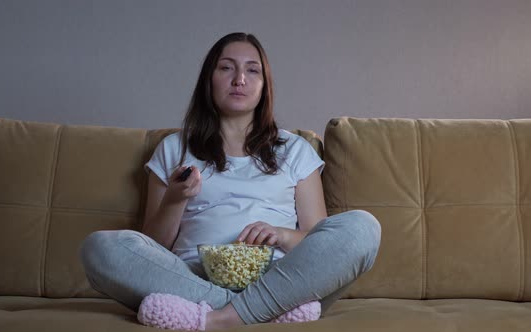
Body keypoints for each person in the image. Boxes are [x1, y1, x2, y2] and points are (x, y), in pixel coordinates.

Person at [80, 32, 381, 331]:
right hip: (191, 276)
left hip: (282, 277)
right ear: (208, 79)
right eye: (226, 68)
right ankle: (260, 313)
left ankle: (215, 319)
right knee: (100, 247)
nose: (240, 79)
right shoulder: (174, 148)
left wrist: (281, 235)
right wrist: (175, 199)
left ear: (264, 86)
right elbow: (154, 246)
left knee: (363, 227)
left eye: (252, 70)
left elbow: (319, 241)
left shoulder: (295, 149)